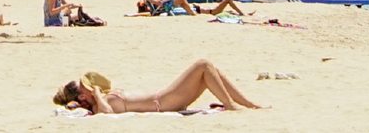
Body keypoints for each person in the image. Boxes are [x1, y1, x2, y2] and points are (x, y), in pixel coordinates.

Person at [54, 62, 261, 114]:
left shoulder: (102, 100)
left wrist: (98, 90)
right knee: (203, 65)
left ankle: (247, 103)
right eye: (85, 88)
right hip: (165, 102)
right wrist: (97, 95)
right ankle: (231, 105)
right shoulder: (100, 105)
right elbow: (107, 114)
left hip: (165, 98)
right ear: (82, 97)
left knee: (210, 70)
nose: (91, 88)